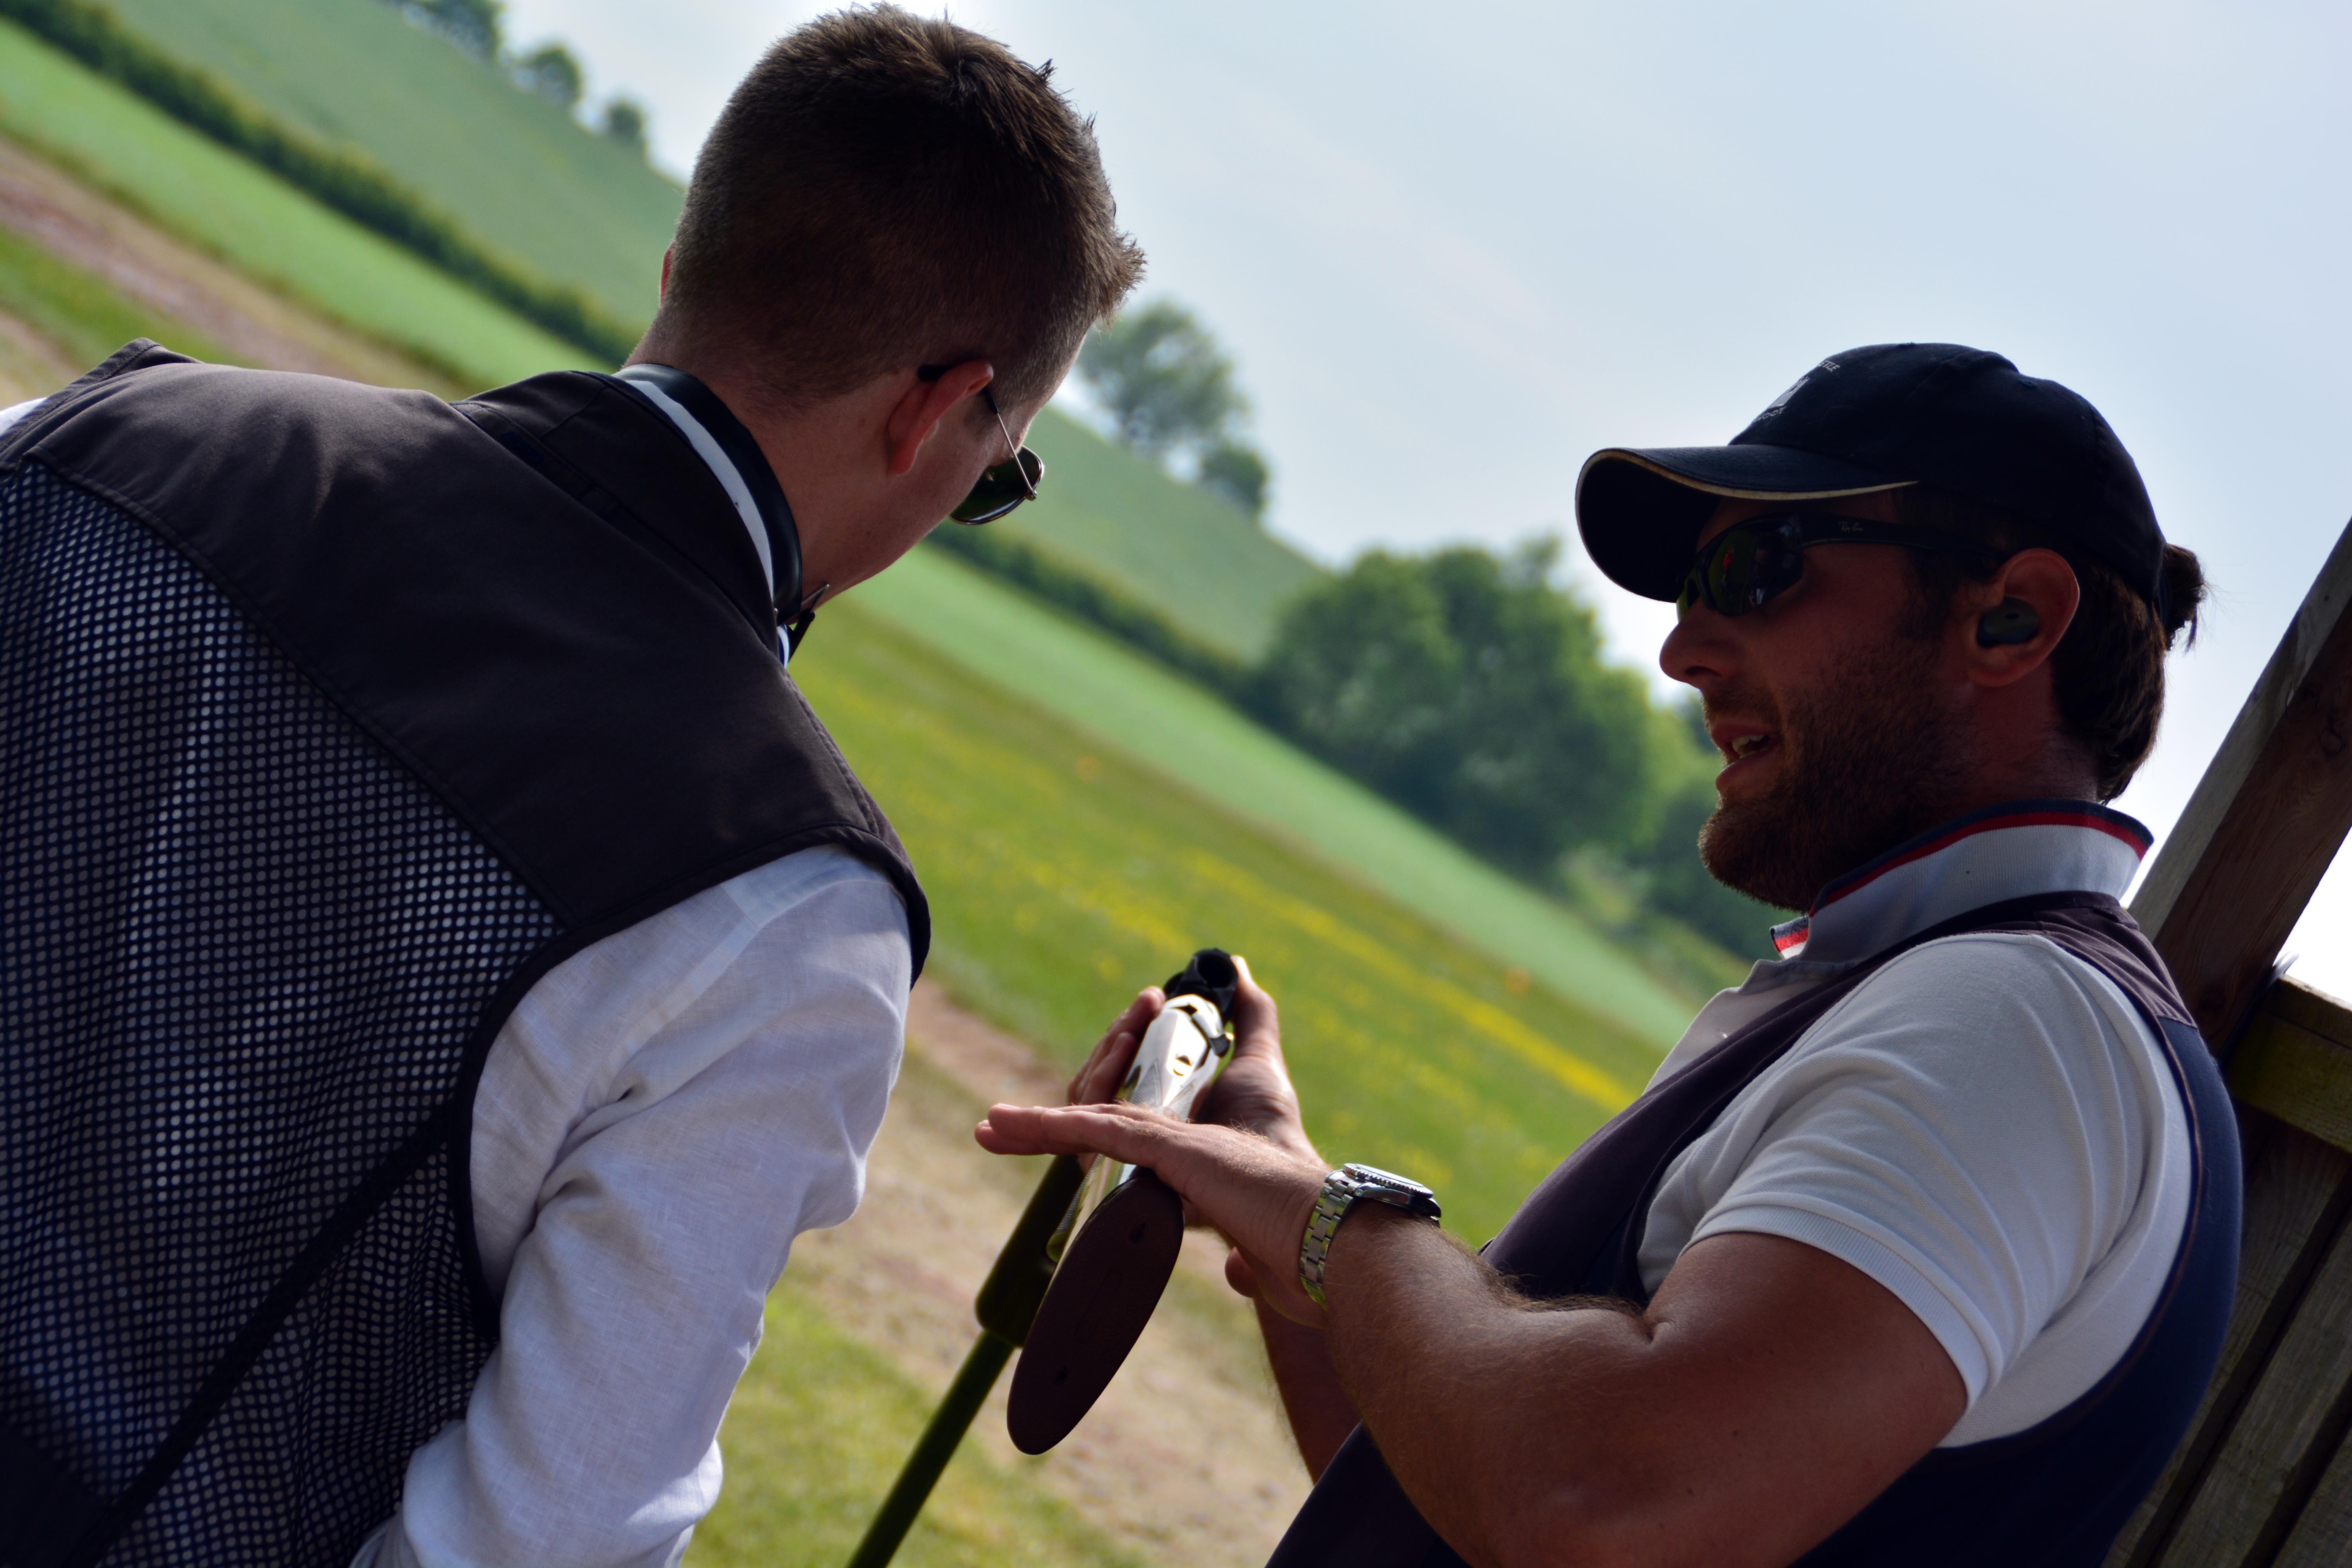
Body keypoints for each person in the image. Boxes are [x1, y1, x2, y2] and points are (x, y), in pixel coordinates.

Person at [0, 9, 1141, 1566]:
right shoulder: (787, 905)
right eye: (996, 474)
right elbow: (538, 1536)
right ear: (935, 412)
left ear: (680, 267)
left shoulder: (103, 436)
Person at [982, 342, 2241, 1568]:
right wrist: (1275, 1174)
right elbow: (1465, 1494)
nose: (1681, 650)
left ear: (2012, 619)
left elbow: (1601, 1508)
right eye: (1691, 590)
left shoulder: (2015, 1024)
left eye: (1755, 570)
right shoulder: (1940, 997)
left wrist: (1330, 1224)